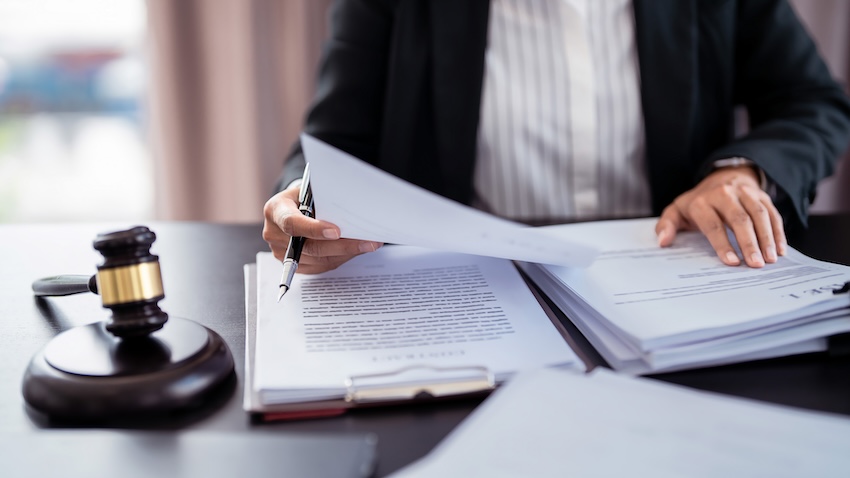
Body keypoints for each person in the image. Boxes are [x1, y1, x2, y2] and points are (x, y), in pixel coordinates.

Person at [263, 0, 850, 275]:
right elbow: (330, 143)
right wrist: (303, 203)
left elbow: (813, 102)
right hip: (463, 290)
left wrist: (742, 169)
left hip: (671, 276)